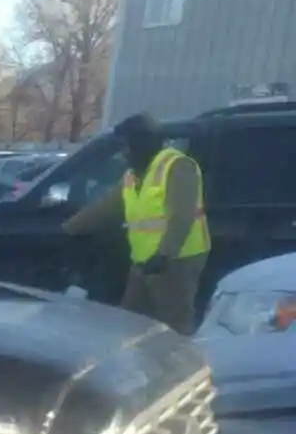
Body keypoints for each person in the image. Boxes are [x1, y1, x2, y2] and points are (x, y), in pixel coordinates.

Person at [60, 113, 208, 332]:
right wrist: (68, 228)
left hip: (177, 260)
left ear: (142, 144)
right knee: (131, 319)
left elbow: (181, 216)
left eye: (126, 145)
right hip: (145, 261)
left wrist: (165, 254)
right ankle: (138, 364)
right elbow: (108, 206)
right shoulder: (133, 174)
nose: (123, 152)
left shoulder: (178, 166)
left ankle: (180, 365)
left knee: (174, 324)